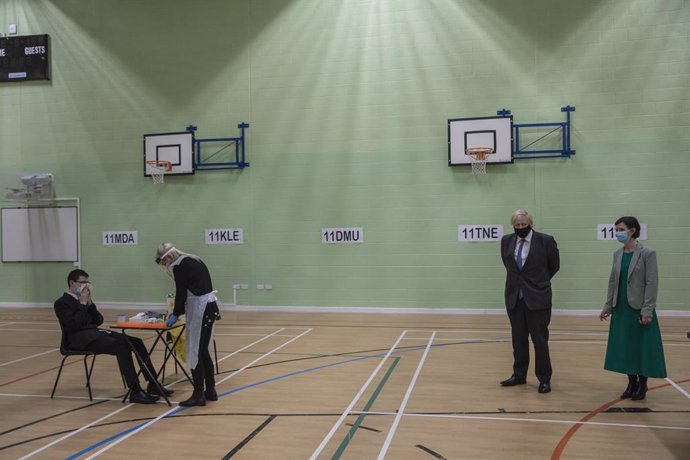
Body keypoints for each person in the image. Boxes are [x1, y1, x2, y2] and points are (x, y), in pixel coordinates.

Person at [54, 269, 172, 404]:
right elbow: (74, 325)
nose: (87, 286)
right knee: (121, 346)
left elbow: (98, 320)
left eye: (88, 283)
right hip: (80, 340)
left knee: (137, 342)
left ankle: (153, 383)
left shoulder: (86, 301)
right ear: (72, 283)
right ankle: (135, 391)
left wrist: (90, 304)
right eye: (83, 283)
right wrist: (82, 304)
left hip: (94, 333)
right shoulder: (62, 303)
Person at [599, 216, 667, 400]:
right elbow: (613, 280)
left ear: (633, 230)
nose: (618, 233)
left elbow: (652, 282)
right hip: (620, 307)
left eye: (621, 229)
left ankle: (642, 384)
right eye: (616, 230)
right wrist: (608, 305)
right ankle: (631, 382)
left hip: (638, 308)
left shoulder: (648, 253)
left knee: (640, 347)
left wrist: (647, 310)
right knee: (625, 346)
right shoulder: (617, 254)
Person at [500, 209, 560, 394]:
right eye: (517, 225)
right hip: (514, 298)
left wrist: (537, 282)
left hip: (538, 298)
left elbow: (554, 266)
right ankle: (519, 375)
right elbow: (509, 266)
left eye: (523, 225)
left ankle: (544, 379)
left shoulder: (545, 241)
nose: (520, 228)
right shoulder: (506, 241)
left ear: (530, 224)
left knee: (540, 340)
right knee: (518, 340)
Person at [156, 243, 220, 407]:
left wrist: (175, 314)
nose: (165, 266)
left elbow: (181, 291)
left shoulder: (179, 266)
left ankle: (198, 394)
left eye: (163, 263)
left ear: (168, 257)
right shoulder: (193, 259)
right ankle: (211, 391)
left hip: (201, 310)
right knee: (203, 350)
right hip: (210, 307)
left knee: (194, 351)